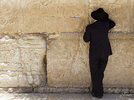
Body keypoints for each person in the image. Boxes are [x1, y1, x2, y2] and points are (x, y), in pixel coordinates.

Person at [83, 8, 115, 98]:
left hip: (94, 53)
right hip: (105, 52)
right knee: (100, 72)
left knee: (95, 72)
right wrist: (104, 18)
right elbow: (113, 23)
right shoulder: (106, 25)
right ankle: (96, 91)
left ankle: (98, 93)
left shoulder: (90, 27)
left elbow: (86, 40)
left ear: (94, 17)